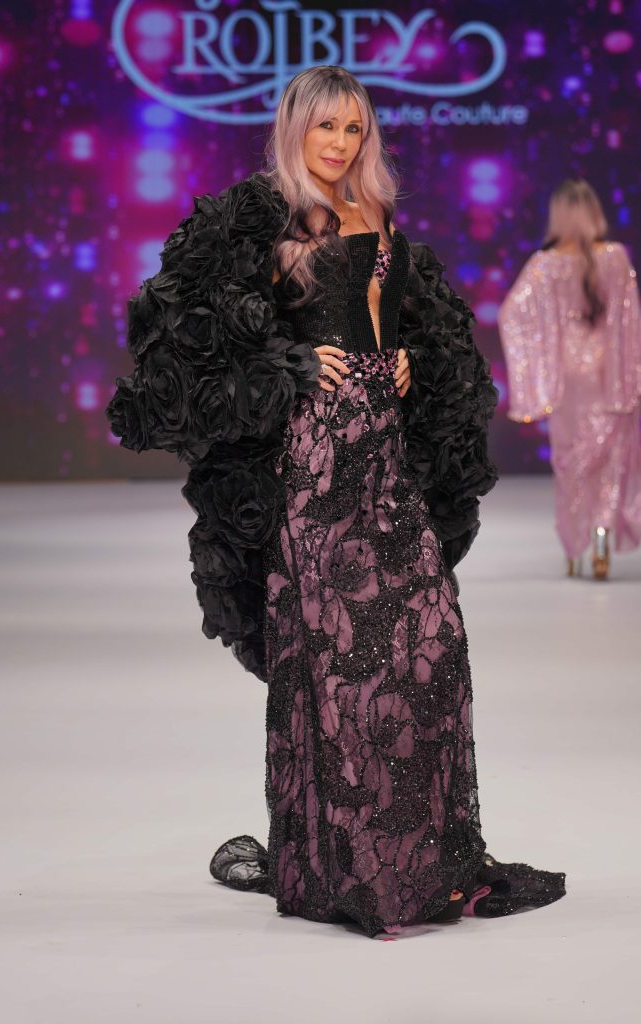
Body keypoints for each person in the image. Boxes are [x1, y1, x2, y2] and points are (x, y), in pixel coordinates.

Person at [107, 66, 565, 937]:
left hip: (383, 450)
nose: (340, 143)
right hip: (314, 460)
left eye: (354, 129)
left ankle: (417, 853)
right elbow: (188, 338)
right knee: (337, 654)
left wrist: (407, 356)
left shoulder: (374, 213)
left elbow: (401, 318)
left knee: (430, 639)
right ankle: (348, 863)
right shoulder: (258, 215)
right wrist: (282, 363)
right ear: (295, 127)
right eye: (326, 126)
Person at [498, 179, 641, 579]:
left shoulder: (545, 264)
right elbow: (629, 320)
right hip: (610, 373)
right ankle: (600, 537)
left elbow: (512, 313)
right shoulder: (616, 257)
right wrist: (632, 373)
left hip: (566, 374)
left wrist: (539, 361)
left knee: (571, 460)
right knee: (609, 459)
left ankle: (573, 548)